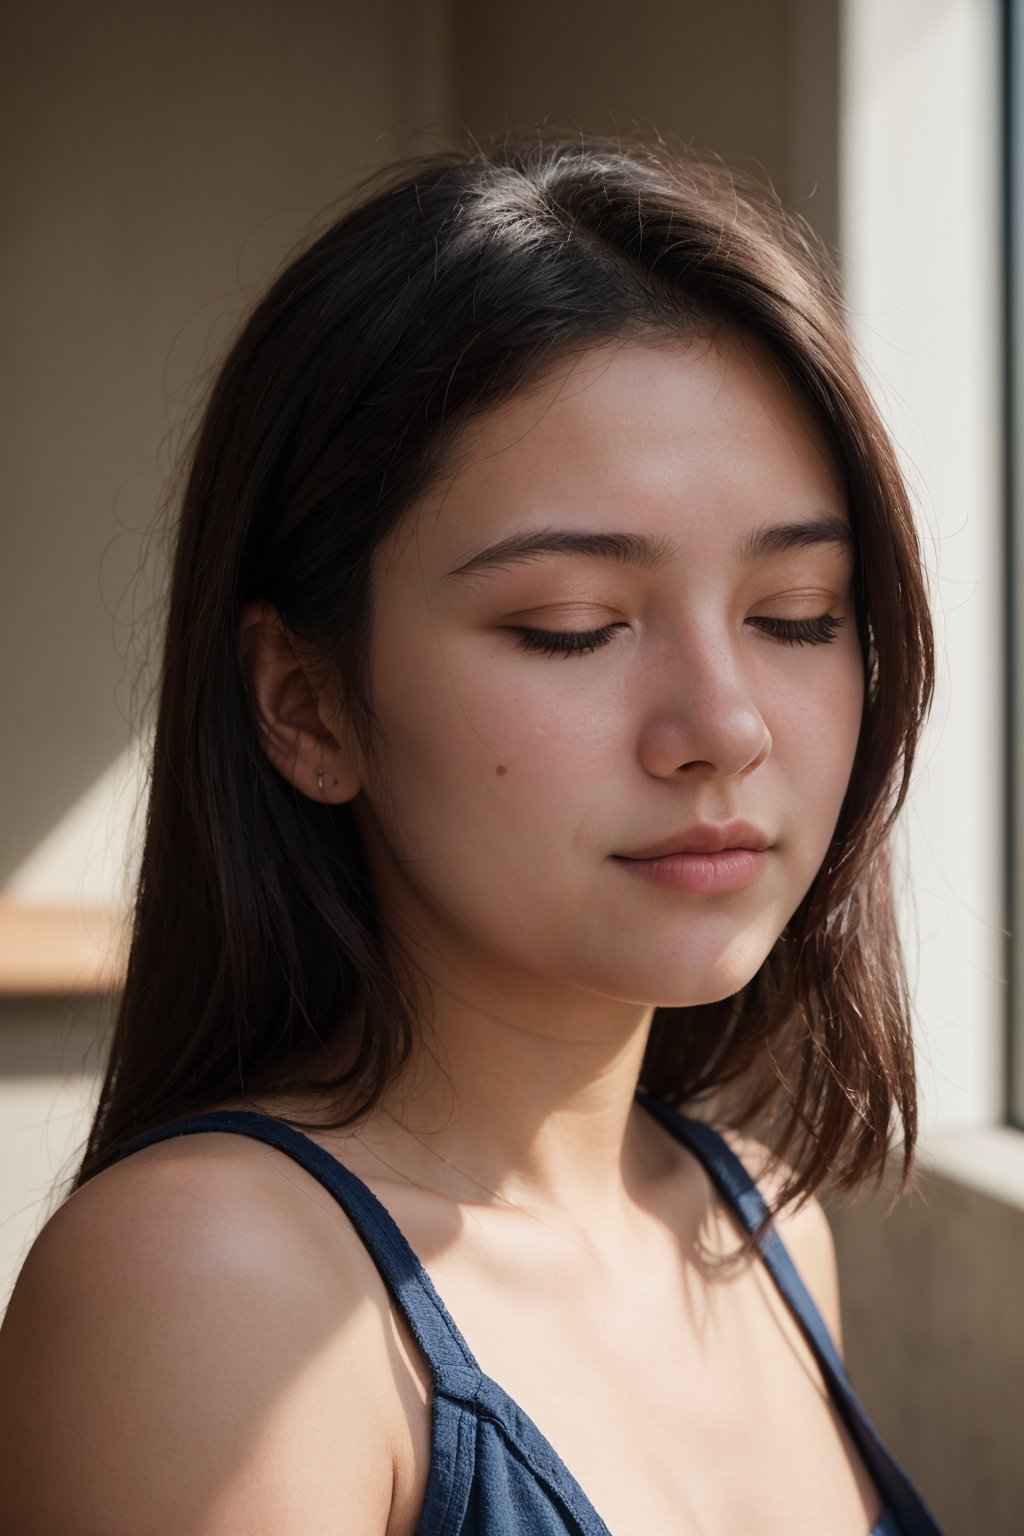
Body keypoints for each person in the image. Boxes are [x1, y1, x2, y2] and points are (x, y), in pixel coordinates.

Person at [0, 135, 943, 1535]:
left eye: (798, 613)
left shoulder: (754, 1221)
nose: (725, 725)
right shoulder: (215, 1286)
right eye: (571, 627)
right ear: (307, 706)